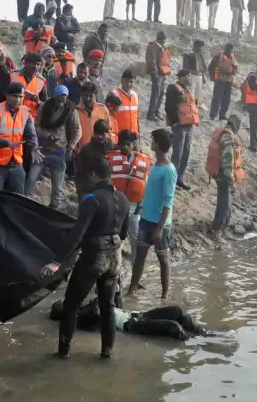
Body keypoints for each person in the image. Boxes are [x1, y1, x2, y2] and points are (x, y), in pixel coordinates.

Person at [56, 151, 129, 359]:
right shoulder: (123, 199)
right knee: (108, 307)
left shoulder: (92, 200)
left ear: (95, 175)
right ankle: (107, 352)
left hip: (94, 258)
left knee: (71, 305)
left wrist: (57, 261)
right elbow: (123, 233)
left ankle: (63, 353)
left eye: (89, 176)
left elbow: (77, 234)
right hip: (114, 258)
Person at [128, 128, 176, 299]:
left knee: (163, 259)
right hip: (146, 219)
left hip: (159, 223)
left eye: (153, 140)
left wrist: (160, 227)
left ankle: (164, 295)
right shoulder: (155, 166)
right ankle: (132, 289)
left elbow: (168, 201)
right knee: (140, 256)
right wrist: (141, 206)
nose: (151, 143)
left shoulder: (169, 170)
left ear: (159, 144)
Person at [49, 299, 208, 341]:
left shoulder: (88, 306)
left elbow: (115, 303)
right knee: (172, 326)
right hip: (131, 325)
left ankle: (206, 335)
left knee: (177, 311)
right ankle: (195, 342)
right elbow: (97, 321)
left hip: (137, 314)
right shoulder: (82, 318)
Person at [27, 84, 80, 210]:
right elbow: (36, 126)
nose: (61, 102)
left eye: (64, 99)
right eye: (59, 99)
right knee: (30, 179)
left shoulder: (70, 111)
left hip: (59, 152)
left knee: (57, 187)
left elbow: (77, 131)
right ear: (54, 97)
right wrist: (46, 135)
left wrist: (71, 147)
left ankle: (54, 209)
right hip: (42, 150)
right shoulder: (45, 107)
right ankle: (25, 203)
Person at [0, 82, 38, 194]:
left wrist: (34, 147)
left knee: (17, 198)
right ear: (7, 95)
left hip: (16, 163)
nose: (18, 100)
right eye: (15, 96)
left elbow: (31, 135)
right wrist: (8, 144)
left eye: (21, 97)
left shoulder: (25, 112)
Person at [107, 130, 151, 249]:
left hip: (134, 207)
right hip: (117, 207)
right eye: (123, 144)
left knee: (135, 238)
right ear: (118, 144)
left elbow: (145, 184)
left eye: (128, 144)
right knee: (115, 239)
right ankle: (116, 265)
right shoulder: (111, 159)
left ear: (133, 145)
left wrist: (141, 204)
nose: (125, 147)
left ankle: (135, 266)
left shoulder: (142, 162)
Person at [207, 115, 244, 238]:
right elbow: (227, 163)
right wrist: (232, 182)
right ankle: (217, 232)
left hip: (219, 173)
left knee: (226, 202)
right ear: (236, 126)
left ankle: (224, 230)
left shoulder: (223, 134)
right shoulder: (228, 139)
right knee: (224, 204)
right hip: (224, 175)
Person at [165, 69, 201, 190]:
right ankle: (172, 180)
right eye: (189, 76)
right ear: (182, 76)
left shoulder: (188, 89)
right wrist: (176, 121)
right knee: (177, 154)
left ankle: (180, 179)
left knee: (186, 153)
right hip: (179, 126)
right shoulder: (173, 88)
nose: (190, 78)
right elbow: (168, 107)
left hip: (189, 126)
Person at [11, 52, 48, 120]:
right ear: (25, 64)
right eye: (33, 63)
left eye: (38, 64)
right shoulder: (12, 75)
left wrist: (37, 101)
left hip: (31, 118)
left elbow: (44, 102)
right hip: (12, 115)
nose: (35, 66)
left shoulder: (42, 81)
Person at [207, 43, 238, 121]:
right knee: (216, 98)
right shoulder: (219, 56)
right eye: (228, 48)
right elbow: (211, 67)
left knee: (226, 99)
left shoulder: (232, 56)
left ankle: (222, 115)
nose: (229, 50)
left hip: (228, 81)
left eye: (231, 49)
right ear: (225, 48)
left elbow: (234, 66)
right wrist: (212, 77)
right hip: (220, 80)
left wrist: (234, 70)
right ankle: (213, 115)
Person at [76, 82, 111, 150]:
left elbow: (109, 130)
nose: (88, 98)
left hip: (101, 150)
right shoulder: (76, 111)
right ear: (81, 95)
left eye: (91, 95)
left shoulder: (103, 109)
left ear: (95, 95)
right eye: (85, 95)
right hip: (83, 152)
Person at [144, 32, 170, 121]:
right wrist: (154, 73)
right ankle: (151, 113)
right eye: (164, 40)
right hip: (157, 73)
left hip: (162, 73)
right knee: (155, 93)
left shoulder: (161, 47)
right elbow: (151, 60)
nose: (165, 41)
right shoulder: (153, 46)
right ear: (161, 39)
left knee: (161, 93)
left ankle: (156, 111)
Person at [109, 70, 139, 137]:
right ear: (122, 80)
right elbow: (108, 116)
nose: (128, 84)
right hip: (120, 136)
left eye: (131, 82)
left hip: (134, 135)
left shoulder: (135, 95)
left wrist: (137, 132)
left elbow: (136, 116)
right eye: (126, 81)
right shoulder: (114, 94)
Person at [183, 39, 208, 107]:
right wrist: (186, 77)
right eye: (200, 46)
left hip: (199, 76)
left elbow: (201, 67)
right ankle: (189, 108)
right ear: (197, 46)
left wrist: (203, 77)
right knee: (191, 93)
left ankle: (194, 108)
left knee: (198, 94)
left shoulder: (199, 55)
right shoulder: (189, 53)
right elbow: (185, 67)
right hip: (192, 75)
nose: (201, 48)